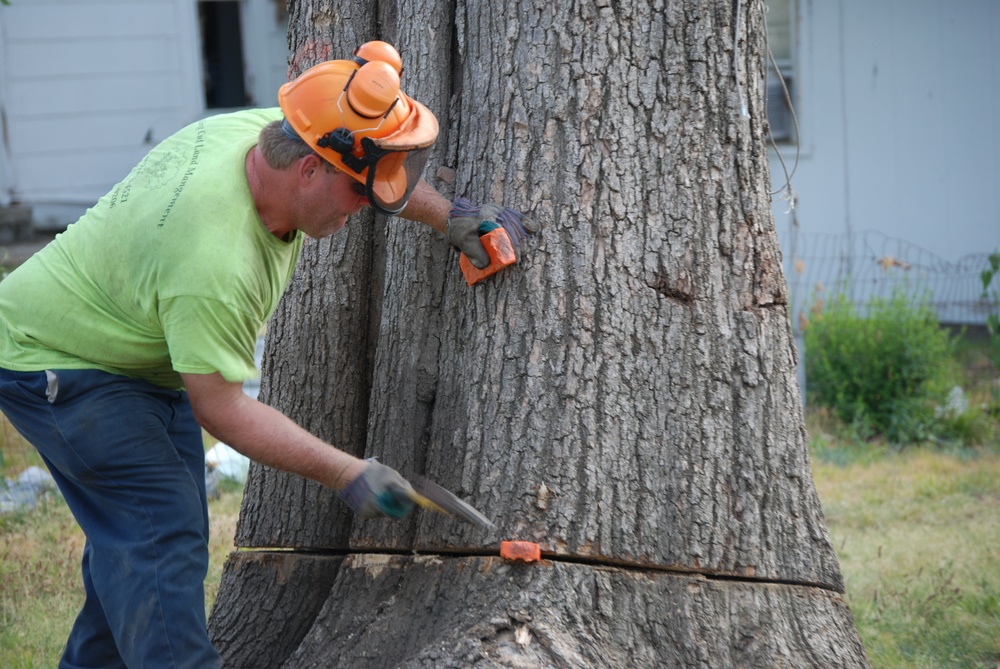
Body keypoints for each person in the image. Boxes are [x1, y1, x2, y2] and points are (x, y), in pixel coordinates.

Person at [0, 41, 533, 668]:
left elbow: (365, 172)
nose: (364, 209)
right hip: (57, 363)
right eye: (356, 195)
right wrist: (347, 472)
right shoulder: (216, 257)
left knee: (141, 546)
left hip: (129, 348)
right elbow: (222, 409)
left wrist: (449, 218)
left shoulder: (276, 133)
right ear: (308, 172)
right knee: (159, 536)